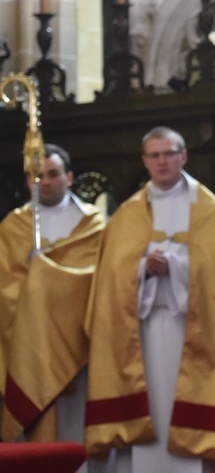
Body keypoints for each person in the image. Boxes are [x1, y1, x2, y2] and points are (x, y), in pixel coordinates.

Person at [85, 126, 215, 473]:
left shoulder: (207, 208)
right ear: (144, 161)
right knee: (148, 408)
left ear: (183, 156)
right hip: (145, 331)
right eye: (155, 155)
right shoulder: (128, 214)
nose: (162, 161)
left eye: (169, 153)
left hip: (193, 331)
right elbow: (111, 279)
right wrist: (143, 270)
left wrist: (177, 267)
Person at [0, 144, 105, 455]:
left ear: (70, 177)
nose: (44, 182)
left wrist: (51, 276)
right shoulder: (13, 227)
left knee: (75, 436)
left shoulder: (94, 225)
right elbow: (4, 288)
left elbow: (104, 281)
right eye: (36, 176)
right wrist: (34, 283)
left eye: (53, 174)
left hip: (78, 345)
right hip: (30, 347)